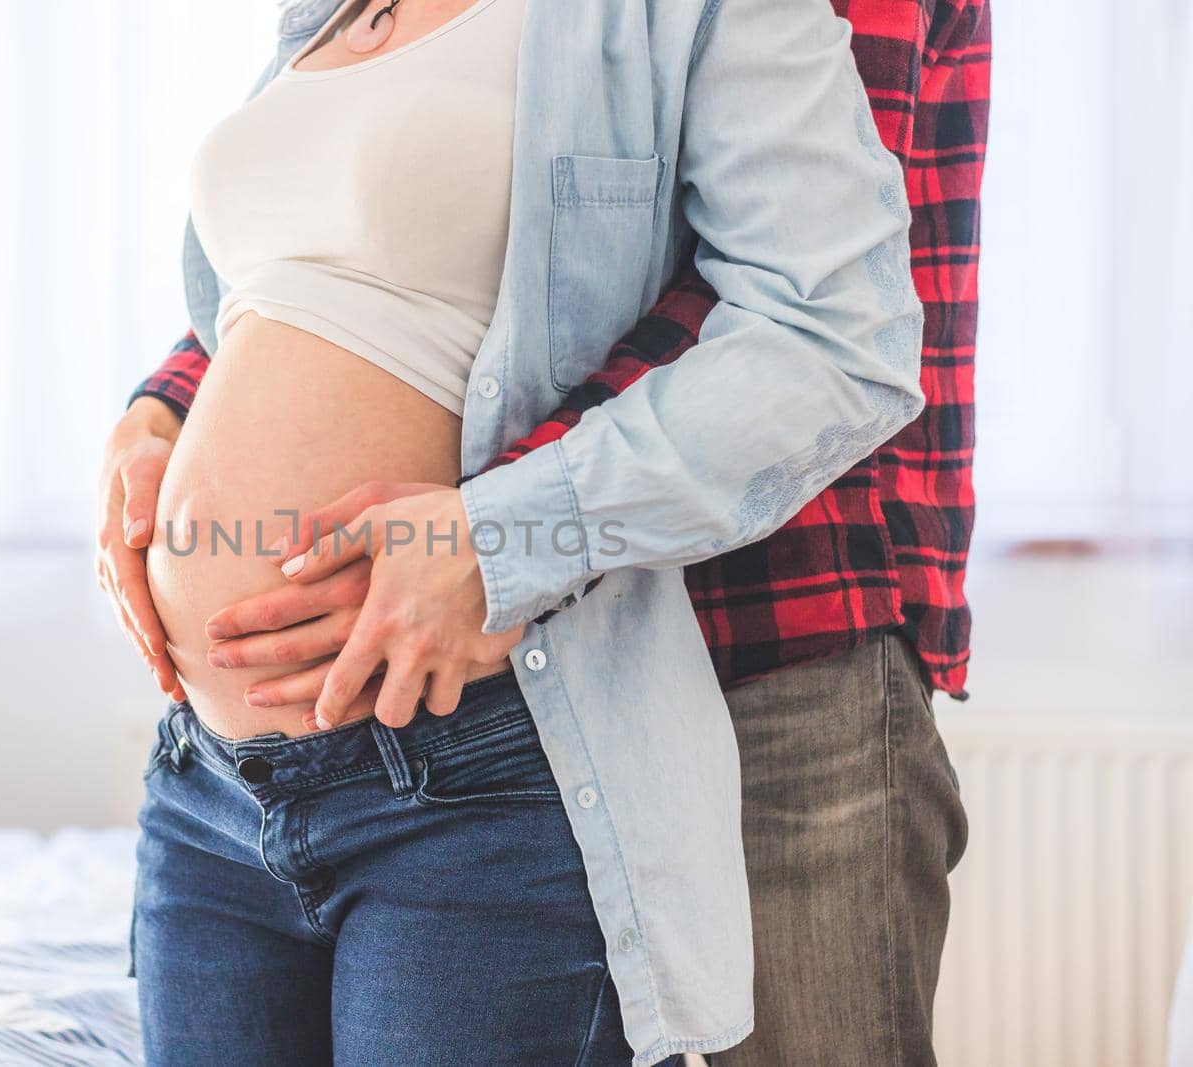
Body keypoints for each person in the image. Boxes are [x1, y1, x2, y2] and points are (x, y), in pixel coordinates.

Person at [99, 0, 950, 1062]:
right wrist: (155, 416)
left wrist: (496, 540)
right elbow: (291, 289)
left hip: (468, 756)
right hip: (207, 781)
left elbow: (827, 333)